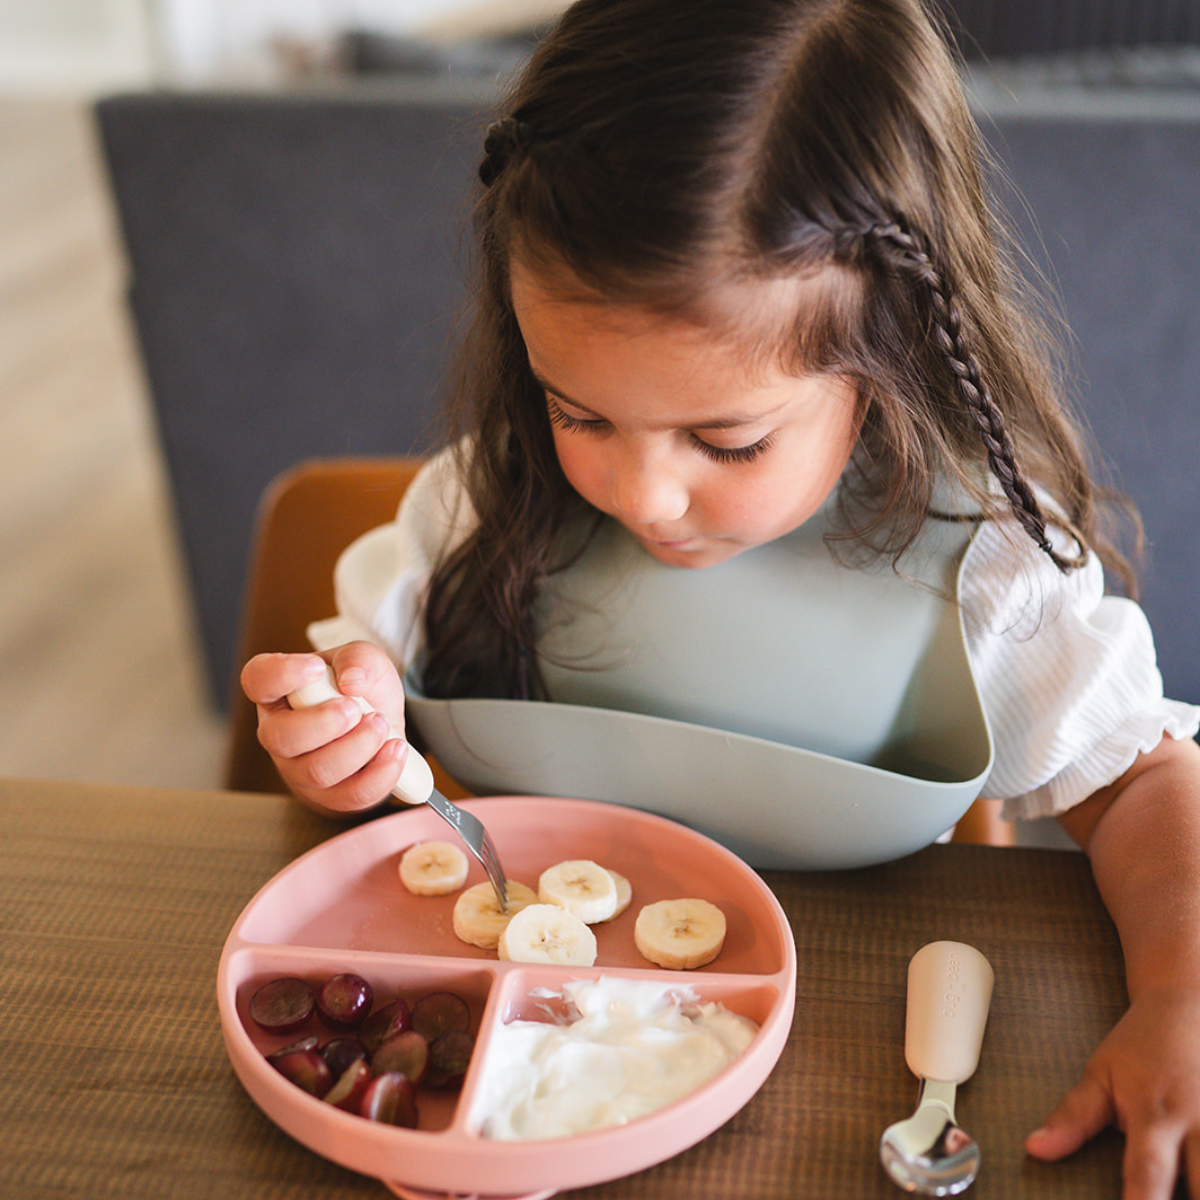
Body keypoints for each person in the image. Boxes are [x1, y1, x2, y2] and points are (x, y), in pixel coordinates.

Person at [241, 0, 1200, 1194]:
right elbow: (365, 683)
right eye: (578, 410)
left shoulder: (983, 571)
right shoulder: (482, 511)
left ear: (885, 350)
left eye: (728, 440)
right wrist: (344, 728)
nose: (645, 494)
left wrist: (1183, 994)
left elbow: (1148, 780)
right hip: (527, 1080)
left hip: (831, 1095)